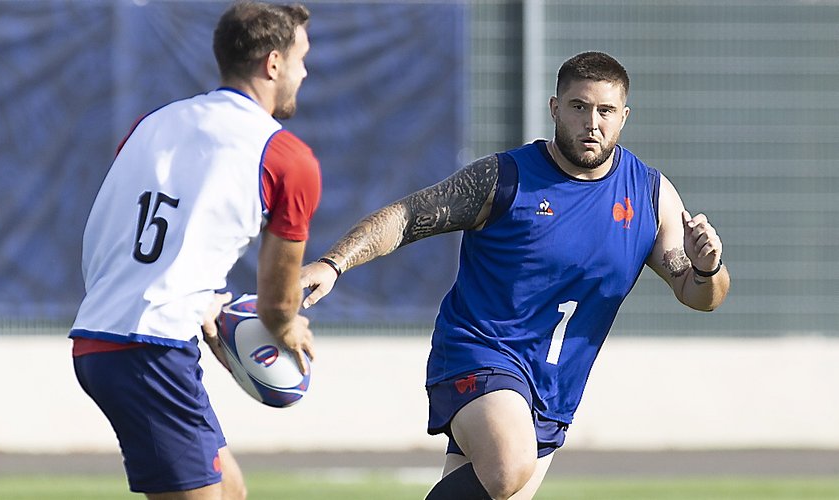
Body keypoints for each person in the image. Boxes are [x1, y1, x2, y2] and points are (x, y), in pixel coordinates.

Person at [301, 51, 730, 500]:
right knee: (509, 464)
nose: (592, 123)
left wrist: (708, 267)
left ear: (624, 116)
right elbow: (410, 216)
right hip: (479, 352)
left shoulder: (650, 193)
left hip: (554, 388)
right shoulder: (506, 178)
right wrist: (334, 262)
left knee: (501, 481)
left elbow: (700, 294)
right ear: (554, 109)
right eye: (578, 107)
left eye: (605, 111)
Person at [69, 2, 319, 498]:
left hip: (116, 336)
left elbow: (128, 237)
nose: (305, 71)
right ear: (273, 64)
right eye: (301, 58)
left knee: (230, 490)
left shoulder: (152, 123)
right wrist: (289, 327)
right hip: (148, 349)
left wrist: (201, 301)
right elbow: (277, 304)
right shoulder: (286, 157)